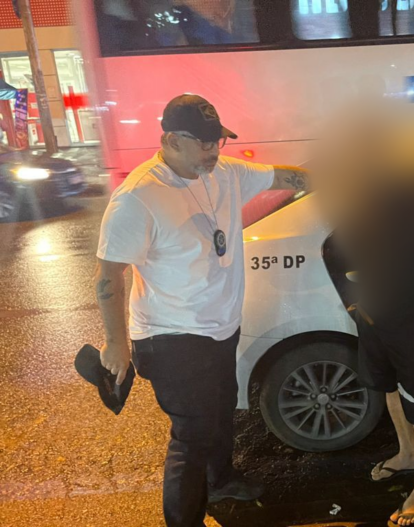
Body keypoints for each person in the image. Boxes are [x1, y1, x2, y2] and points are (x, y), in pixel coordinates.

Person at [94, 94, 309, 527]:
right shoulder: (138, 196)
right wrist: (115, 344)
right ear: (171, 140)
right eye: (205, 143)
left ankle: (221, 480)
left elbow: (285, 176)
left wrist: (333, 176)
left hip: (220, 328)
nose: (214, 151)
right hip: (170, 337)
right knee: (191, 435)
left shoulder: (225, 172)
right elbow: (108, 278)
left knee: (222, 409)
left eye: (218, 141)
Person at [314, 102, 414, 526]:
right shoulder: (357, 194)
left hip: (411, 318)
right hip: (372, 316)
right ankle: (406, 454)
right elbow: (338, 249)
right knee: (388, 389)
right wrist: (353, 301)